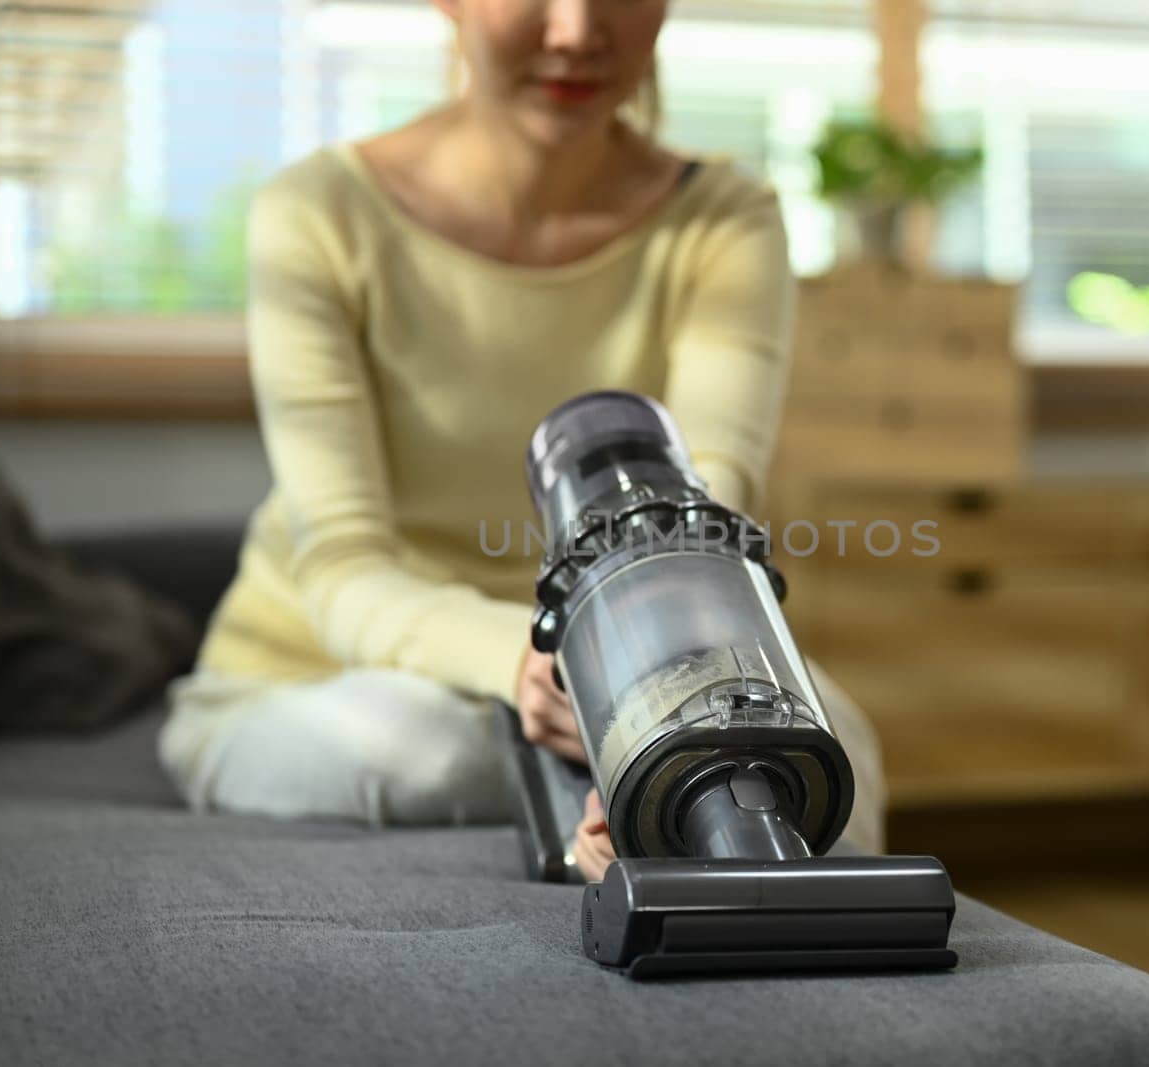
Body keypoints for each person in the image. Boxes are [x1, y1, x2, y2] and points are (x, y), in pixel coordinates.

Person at [157, 0, 885, 881]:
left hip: (623, 663)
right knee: (426, 746)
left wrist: (634, 691)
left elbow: (701, 519)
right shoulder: (318, 212)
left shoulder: (726, 219)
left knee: (835, 738)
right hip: (322, 674)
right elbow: (343, 566)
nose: (577, 31)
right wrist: (540, 667)